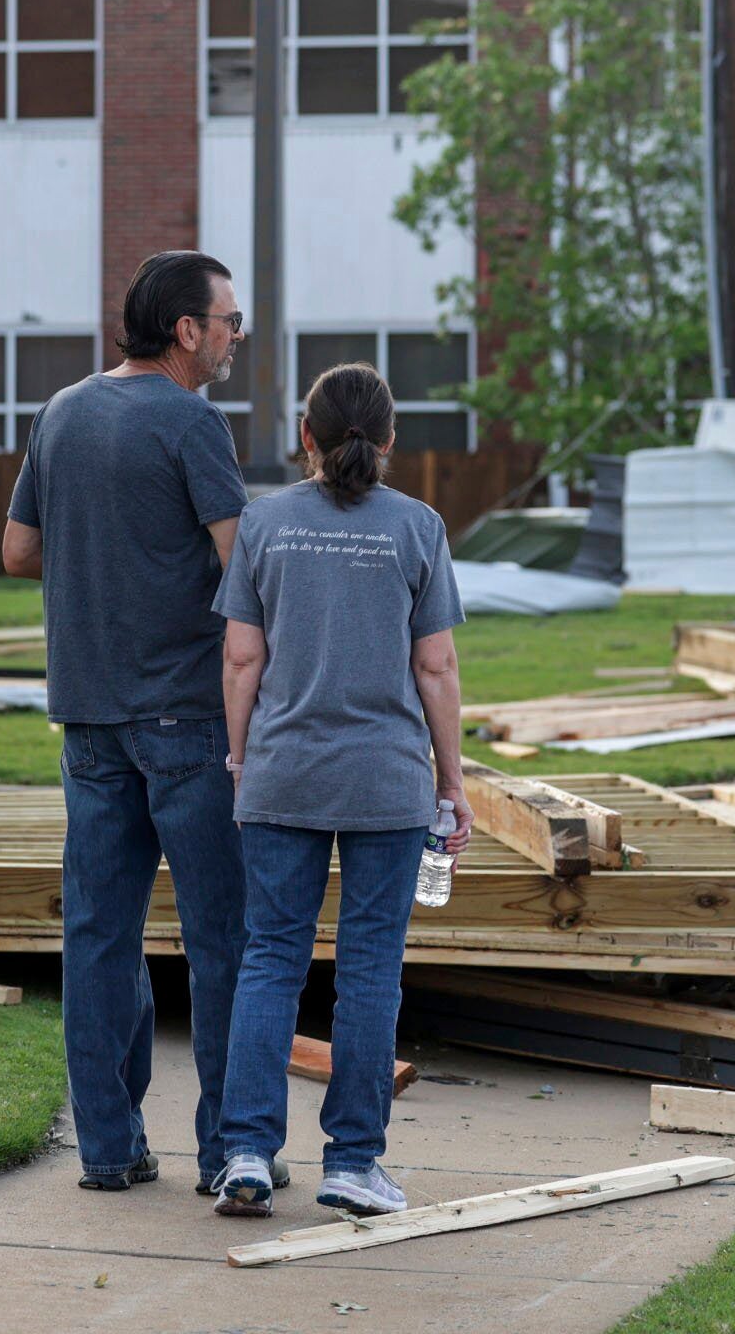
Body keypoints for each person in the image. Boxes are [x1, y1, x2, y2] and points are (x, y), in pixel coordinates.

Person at [1, 249, 258, 1197]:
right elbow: (244, 572)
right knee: (219, 940)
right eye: (230, 320)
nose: (236, 336)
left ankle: (110, 1149)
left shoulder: (61, 411)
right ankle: (234, 1149)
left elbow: (17, 548)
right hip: (187, 721)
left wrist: (102, 556)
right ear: (187, 330)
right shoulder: (192, 421)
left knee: (99, 935)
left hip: (88, 720)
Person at [207, 360, 469, 1220]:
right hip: (386, 783)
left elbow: (243, 658)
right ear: (390, 441)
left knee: (269, 961)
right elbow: (435, 666)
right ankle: (353, 1163)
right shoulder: (418, 526)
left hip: (284, 773)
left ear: (307, 437)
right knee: (368, 972)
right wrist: (453, 782)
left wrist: (243, 759)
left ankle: (244, 1152)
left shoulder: (265, 523)